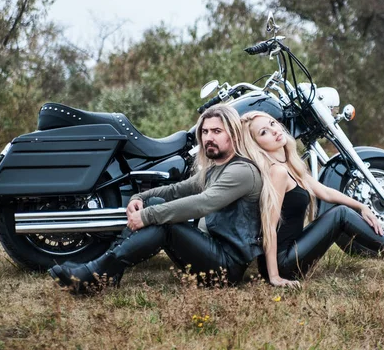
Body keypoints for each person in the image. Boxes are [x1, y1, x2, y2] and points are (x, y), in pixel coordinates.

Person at [49, 104, 263, 292]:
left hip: (227, 267)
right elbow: (178, 189)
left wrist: (148, 216)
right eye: (205, 131)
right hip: (211, 252)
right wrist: (141, 197)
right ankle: (107, 274)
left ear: (234, 135)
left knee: (165, 223)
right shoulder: (215, 169)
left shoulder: (241, 171)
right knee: (154, 205)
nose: (208, 137)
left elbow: (203, 203)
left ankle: (98, 273)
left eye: (217, 131)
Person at [239, 111, 384, 286]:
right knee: (339, 214)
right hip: (284, 262)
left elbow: (326, 192)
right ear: (256, 145)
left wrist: (361, 207)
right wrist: (274, 277)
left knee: (342, 210)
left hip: (292, 251)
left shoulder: (289, 166)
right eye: (264, 132)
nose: (275, 130)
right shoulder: (277, 173)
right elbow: (269, 226)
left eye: (273, 123)